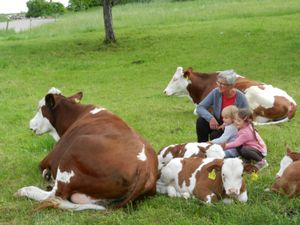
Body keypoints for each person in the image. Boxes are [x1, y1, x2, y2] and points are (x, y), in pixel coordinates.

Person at [196, 70, 249, 142]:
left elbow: (246, 116)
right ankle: (201, 146)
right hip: (218, 121)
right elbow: (200, 107)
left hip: (232, 126)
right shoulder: (216, 92)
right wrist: (211, 118)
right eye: (218, 82)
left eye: (223, 84)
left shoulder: (240, 97)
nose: (219, 86)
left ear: (231, 85)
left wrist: (226, 124)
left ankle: (214, 148)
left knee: (214, 136)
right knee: (201, 121)